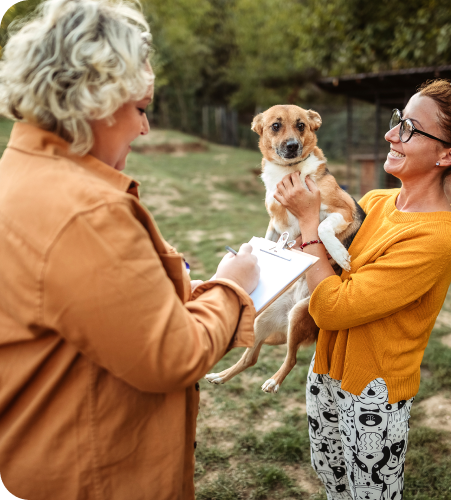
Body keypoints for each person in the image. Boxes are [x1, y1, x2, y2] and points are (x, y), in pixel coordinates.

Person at [0, 1, 259, 499]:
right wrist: (231, 285)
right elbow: (174, 355)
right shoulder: (85, 213)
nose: (145, 128)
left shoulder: (21, 170)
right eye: (140, 109)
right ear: (96, 99)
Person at [274, 77, 451, 499]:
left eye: (410, 128)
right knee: (332, 480)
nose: (391, 134)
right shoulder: (376, 201)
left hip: (372, 396)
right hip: (324, 371)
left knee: (370, 494)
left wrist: (308, 223)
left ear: (447, 155)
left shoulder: (435, 239)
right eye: (399, 119)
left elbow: (333, 308)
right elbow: (324, 271)